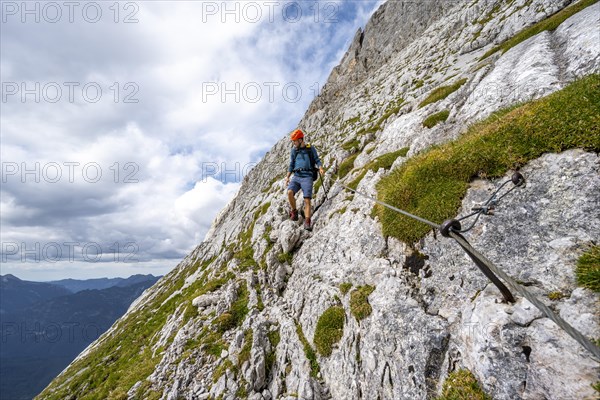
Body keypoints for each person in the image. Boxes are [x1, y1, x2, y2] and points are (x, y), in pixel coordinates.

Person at [285, 129, 324, 231]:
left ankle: (307, 221)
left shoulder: (310, 148)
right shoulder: (294, 151)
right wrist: (288, 177)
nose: (294, 143)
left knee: (307, 199)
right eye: (293, 141)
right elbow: (291, 164)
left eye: (295, 141)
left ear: (301, 140)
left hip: (307, 176)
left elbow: (317, 159)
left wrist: (320, 167)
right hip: (297, 176)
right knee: (289, 192)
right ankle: (294, 211)